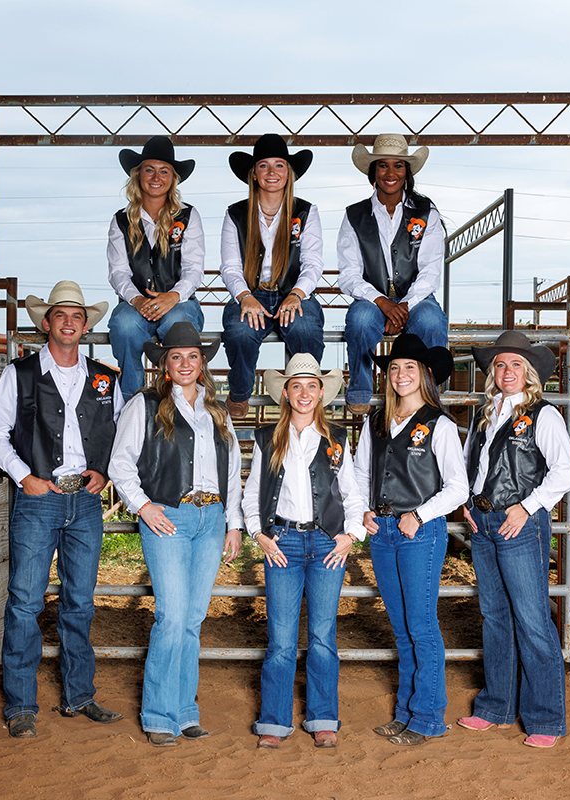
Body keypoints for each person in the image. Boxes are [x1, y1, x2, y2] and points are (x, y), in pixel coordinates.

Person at [0, 281, 122, 739]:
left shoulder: (106, 377)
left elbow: (120, 432)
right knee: (24, 601)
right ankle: (21, 704)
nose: (67, 322)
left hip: (85, 499)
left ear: (85, 326)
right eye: (59, 315)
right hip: (38, 497)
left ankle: (79, 694)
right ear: (46, 323)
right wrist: (25, 477)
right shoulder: (19, 373)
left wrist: (104, 470)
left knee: (79, 602)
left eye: (76, 316)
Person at [109, 321, 244, 747]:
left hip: (211, 519)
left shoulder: (216, 410)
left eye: (192, 356)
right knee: (171, 617)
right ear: (165, 364)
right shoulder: (145, 404)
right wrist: (143, 506)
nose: (185, 363)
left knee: (193, 619)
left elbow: (235, 469)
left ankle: (186, 711)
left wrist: (234, 523)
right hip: (168, 516)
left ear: (202, 363)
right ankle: (158, 714)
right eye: (176, 356)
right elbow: (120, 464)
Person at [456, 331, 570, 748]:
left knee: (532, 619)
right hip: (484, 524)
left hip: (519, 524)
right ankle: (496, 708)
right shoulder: (483, 414)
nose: (508, 372)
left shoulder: (543, 415)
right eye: (501, 365)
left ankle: (545, 718)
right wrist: (468, 503)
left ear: (529, 373)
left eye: (516, 365)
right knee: (495, 617)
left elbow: (565, 470)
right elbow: (475, 464)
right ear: (493, 372)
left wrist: (529, 506)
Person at [242, 354, 365, 750]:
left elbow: (352, 493)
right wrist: (259, 535)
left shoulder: (337, 439)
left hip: (328, 543)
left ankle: (323, 716)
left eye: (312, 385)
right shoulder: (268, 439)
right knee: (280, 637)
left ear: (322, 394)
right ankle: (274, 721)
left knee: (323, 634)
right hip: (283, 544)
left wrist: (352, 534)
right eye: (296, 385)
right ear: (286, 393)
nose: (304, 392)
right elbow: (251, 494)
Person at [352, 334, 468, 745]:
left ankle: (428, 717)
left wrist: (419, 515)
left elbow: (458, 487)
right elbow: (360, 474)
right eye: (395, 368)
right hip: (382, 531)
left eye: (410, 368)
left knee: (421, 625)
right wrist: (362, 509)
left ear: (424, 374)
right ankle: (405, 711)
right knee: (401, 628)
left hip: (420, 531)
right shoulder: (376, 421)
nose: (401, 375)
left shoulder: (440, 423)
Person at [337, 133, 449, 415]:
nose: (391, 173)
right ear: (373, 172)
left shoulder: (426, 213)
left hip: (416, 296)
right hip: (372, 298)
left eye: (398, 165)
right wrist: (382, 302)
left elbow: (431, 270)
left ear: (407, 172)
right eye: (383, 165)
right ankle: (361, 388)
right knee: (360, 320)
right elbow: (349, 275)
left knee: (432, 320)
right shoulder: (355, 215)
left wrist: (403, 305)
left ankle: (430, 392)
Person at [220, 133, 325, 420]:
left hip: (293, 291)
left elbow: (313, 263)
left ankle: (306, 398)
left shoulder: (305, 212)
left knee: (305, 329)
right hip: (251, 291)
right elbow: (230, 266)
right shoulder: (236, 214)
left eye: (279, 165)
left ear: (289, 173)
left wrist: (296, 294)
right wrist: (244, 297)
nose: (272, 172)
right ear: (253, 175)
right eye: (264, 166)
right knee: (240, 331)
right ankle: (240, 392)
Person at [107, 135, 206, 400]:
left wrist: (172, 296)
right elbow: (118, 273)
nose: (156, 177)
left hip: (180, 300)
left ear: (173, 178)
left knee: (177, 322)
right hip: (135, 302)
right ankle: (132, 398)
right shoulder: (121, 220)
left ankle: (180, 397)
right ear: (138, 176)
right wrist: (137, 300)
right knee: (125, 325)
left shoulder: (188, 216)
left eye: (164, 171)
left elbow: (193, 269)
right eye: (149, 170)